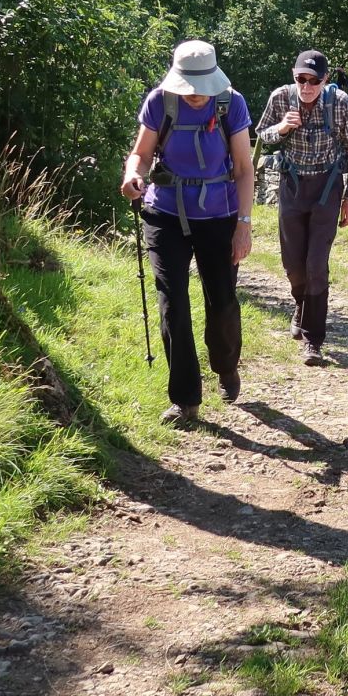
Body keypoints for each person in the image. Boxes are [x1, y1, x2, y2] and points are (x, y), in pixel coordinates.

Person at [120, 39, 255, 427]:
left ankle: (226, 365)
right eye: (189, 87)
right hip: (165, 212)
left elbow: (244, 169)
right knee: (172, 302)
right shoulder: (160, 102)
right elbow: (141, 154)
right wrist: (133, 175)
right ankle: (185, 399)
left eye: (203, 88)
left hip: (220, 214)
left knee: (223, 302)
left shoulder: (231, 104)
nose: (196, 95)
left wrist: (243, 225)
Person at [255, 48, 348, 364]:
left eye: (313, 80)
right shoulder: (280, 98)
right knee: (293, 265)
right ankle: (300, 304)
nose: (306, 86)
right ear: (294, 75)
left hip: (326, 189)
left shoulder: (339, 104)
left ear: (324, 79)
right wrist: (283, 128)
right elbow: (262, 134)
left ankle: (313, 340)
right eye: (301, 79)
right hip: (291, 186)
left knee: (317, 265)